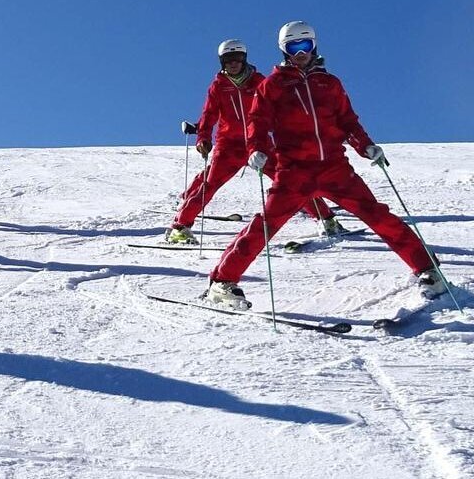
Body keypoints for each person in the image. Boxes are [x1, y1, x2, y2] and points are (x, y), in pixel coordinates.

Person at [203, 22, 444, 310]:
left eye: (305, 46)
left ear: (314, 45)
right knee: (265, 225)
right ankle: (223, 281)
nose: (300, 53)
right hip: (294, 171)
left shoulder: (329, 84)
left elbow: (348, 121)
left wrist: (366, 146)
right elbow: (257, 120)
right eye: (294, 47)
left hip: (334, 167)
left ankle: (428, 270)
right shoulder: (274, 85)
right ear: (284, 50)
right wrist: (255, 148)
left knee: (378, 215)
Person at [166, 39, 341, 244]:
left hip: (260, 144)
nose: (234, 63)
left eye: (238, 58)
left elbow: (278, 107)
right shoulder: (218, 87)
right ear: (222, 62)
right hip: (229, 145)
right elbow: (209, 114)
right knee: (209, 185)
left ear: (244, 59)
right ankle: (180, 227)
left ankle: (326, 219)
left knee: (291, 180)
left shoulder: (259, 81)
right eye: (229, 59)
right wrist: (203, 137)